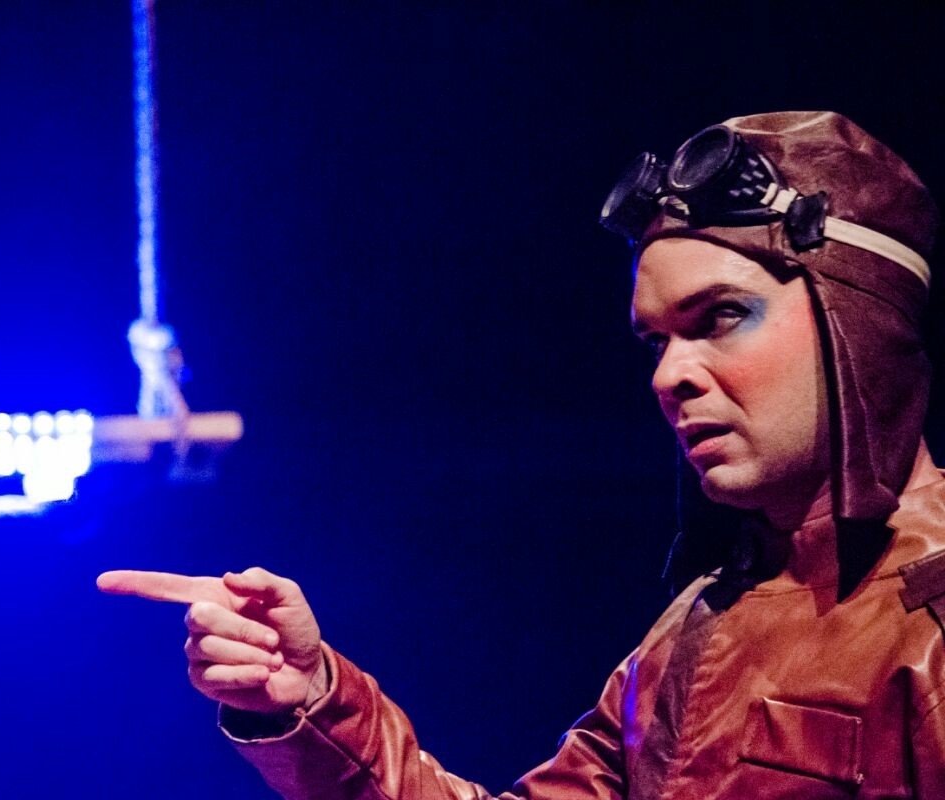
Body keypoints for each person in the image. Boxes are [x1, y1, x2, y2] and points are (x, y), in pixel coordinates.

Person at [98, 111, 945, 798]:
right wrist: (312, 697)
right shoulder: (700, 625)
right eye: (656, 341)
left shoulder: (928, 622)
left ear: (860, 323)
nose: (670, 376)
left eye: (720, 316)